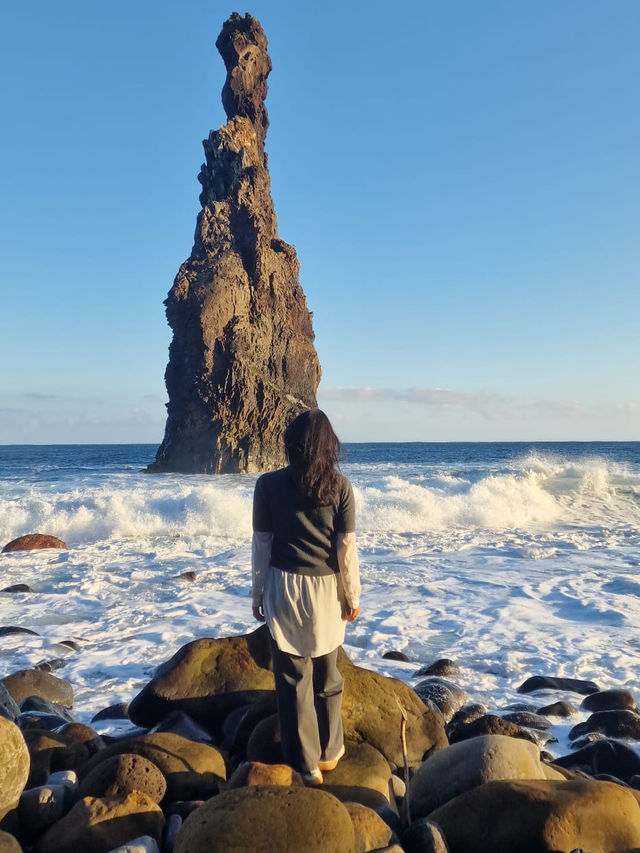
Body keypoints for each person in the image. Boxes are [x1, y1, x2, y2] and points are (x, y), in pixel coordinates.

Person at [251, 409, 361, 786]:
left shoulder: (267, 485)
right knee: (328, 674)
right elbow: (345, 550)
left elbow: (262, 545)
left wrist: (256, 591)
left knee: (293, 679)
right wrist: (352, 595)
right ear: (329, 445)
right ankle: (331, 751)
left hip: (283, 587)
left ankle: (306, 765)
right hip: (327, 591)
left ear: (290, 444)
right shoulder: (340, 487)